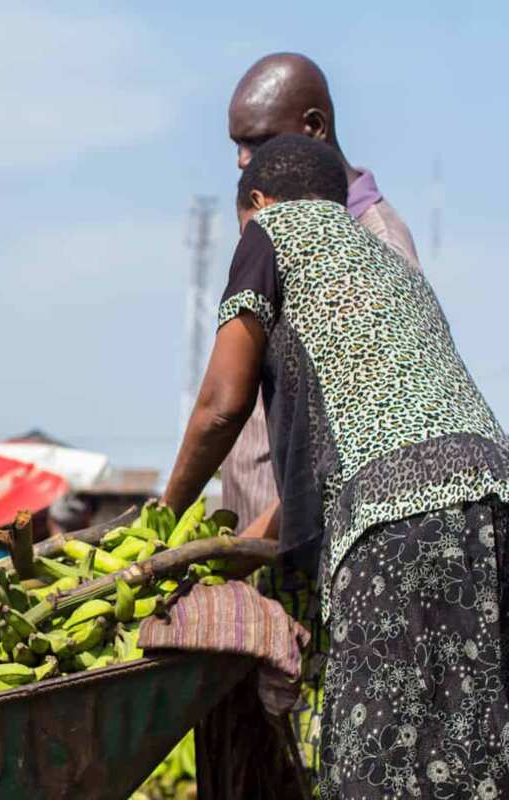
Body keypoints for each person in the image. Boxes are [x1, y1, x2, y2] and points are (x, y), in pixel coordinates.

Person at [162, 133, 509, 798]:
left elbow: (219, 405)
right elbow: (339, 467)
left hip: (395, 525)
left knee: (374, 763)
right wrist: (241, 552)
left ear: (258, 202)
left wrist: (159, 516)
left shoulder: (273, 230)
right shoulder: (385, 264)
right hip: (493, 497)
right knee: (475, 757)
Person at [224, 52, 420, 536]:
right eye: (237, 144)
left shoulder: (378, 242)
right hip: (262, 539)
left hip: (313, 545)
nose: (242, 160)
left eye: (258, 141)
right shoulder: (282, 219)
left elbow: (369, 433)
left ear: (314, 127)